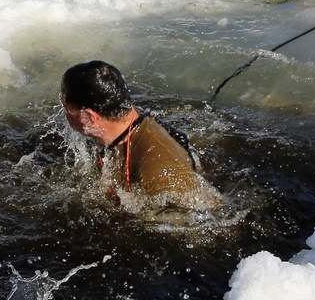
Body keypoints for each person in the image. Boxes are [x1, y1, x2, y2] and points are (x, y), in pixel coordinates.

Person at [61, 61, 219, 211]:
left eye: (66, 108)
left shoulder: (160, 177)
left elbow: (211, 217)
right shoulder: (123, 120)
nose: (64, 115)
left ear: (89, 118)